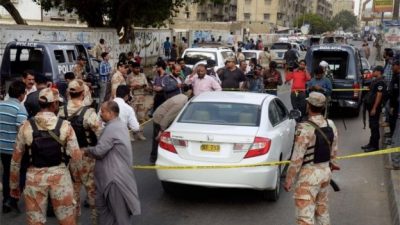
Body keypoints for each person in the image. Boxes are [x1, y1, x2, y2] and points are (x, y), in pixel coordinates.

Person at [10, 87, 82, 225]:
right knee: (67, 220)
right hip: (60, 177)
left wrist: (14, 185)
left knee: (35, 221)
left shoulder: (26, 126)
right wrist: (76, 180)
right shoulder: (65, 126)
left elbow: (15, 160)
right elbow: (76, 157)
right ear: (54, 104)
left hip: (34, 178)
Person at [284, 92, 339, 225]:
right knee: (322, 211)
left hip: (309, 176)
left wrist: (289, 179)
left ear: (308, 106)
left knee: (304, 217)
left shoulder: (305, 127)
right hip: (325, 172)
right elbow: (334, 148)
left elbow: (297, 157)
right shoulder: (330, 124)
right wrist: (333, 163)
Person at [82, 101, 141, 225]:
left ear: (111, 113)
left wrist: (86, 150)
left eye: (102, 112)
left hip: (114, 180)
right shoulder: (117, 125)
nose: (100, 114)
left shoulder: (113, 128)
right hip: (109, 179)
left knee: (120, 217)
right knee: (107, 214)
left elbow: (99, 151)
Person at [58, 79, 102, 224]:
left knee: (73, 192)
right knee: (92, 190)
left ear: (68, 94)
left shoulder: (60, 111)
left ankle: (73, 221)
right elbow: (100, 134)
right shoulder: (89, 113)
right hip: (87, 156)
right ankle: (95, 221)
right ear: (83, 93)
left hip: (69, 156)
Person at [0, 80, 28, 213]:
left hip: (2, 148)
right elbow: (22, 130)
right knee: (21, 173)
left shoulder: (1, 105)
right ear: (22, 95)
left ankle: (6, 199)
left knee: (6, 174)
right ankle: (13, 199)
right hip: (15, 149)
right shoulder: (20, 108)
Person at [151, 94, 189, 163]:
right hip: (160, 118)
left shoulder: (183, 96)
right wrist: (161, 130)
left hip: (159, 113)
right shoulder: (179, 105)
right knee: (159, 140)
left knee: (157, 140)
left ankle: (154, 157)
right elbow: (167, 118)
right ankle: (155, 158)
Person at [362, 66, 387, 152]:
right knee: (372, 126)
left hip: (375, 107)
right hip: (371, 106)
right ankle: (371, 143)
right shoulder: (375, 80)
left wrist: (374, 108)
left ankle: (375, 146)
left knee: (374, 126)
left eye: (374, 71)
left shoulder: (381, 82)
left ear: (379, 72)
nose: (373, 72)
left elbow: (379, 96)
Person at [126, 62, 150, 140]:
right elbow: (126, 87)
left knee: (141, 117)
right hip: (133, 99)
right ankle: (130, 134)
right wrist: (133, 87)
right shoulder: (129, 77)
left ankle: (140, 133)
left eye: (138, 68)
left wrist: (144, 87)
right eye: (136, 68)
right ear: (132, 68)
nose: (137, 70)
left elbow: (147, 86)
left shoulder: (143, 75)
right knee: (132, 117)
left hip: (142, 99)